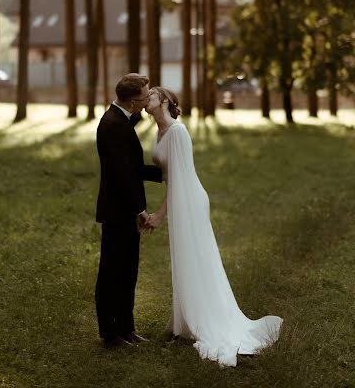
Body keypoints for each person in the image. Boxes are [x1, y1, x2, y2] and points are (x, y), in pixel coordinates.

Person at [144, 86, 283, 367]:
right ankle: (183, 320)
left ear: (166, 101)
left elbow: (181, 182)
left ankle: (204, 320)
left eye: (152, 95)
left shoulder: (178, 132)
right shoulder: (158, 131)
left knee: (195, 259)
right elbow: (168, 178)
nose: (146, 98)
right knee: (183, 260)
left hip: (189, 201)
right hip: (178, 197)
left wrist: (159, 215)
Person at [95, 73, 163, 348]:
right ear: (134, 101)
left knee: (128, 271)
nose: (149, 100)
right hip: (118, 211)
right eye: (146, 97)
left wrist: (166, 172)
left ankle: (126, 327)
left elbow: (132, 168)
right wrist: (140, 210)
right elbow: (124, 174)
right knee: (112, 271)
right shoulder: (112, 125)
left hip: (125, 210)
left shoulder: (121, 119)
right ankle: (110, 333)